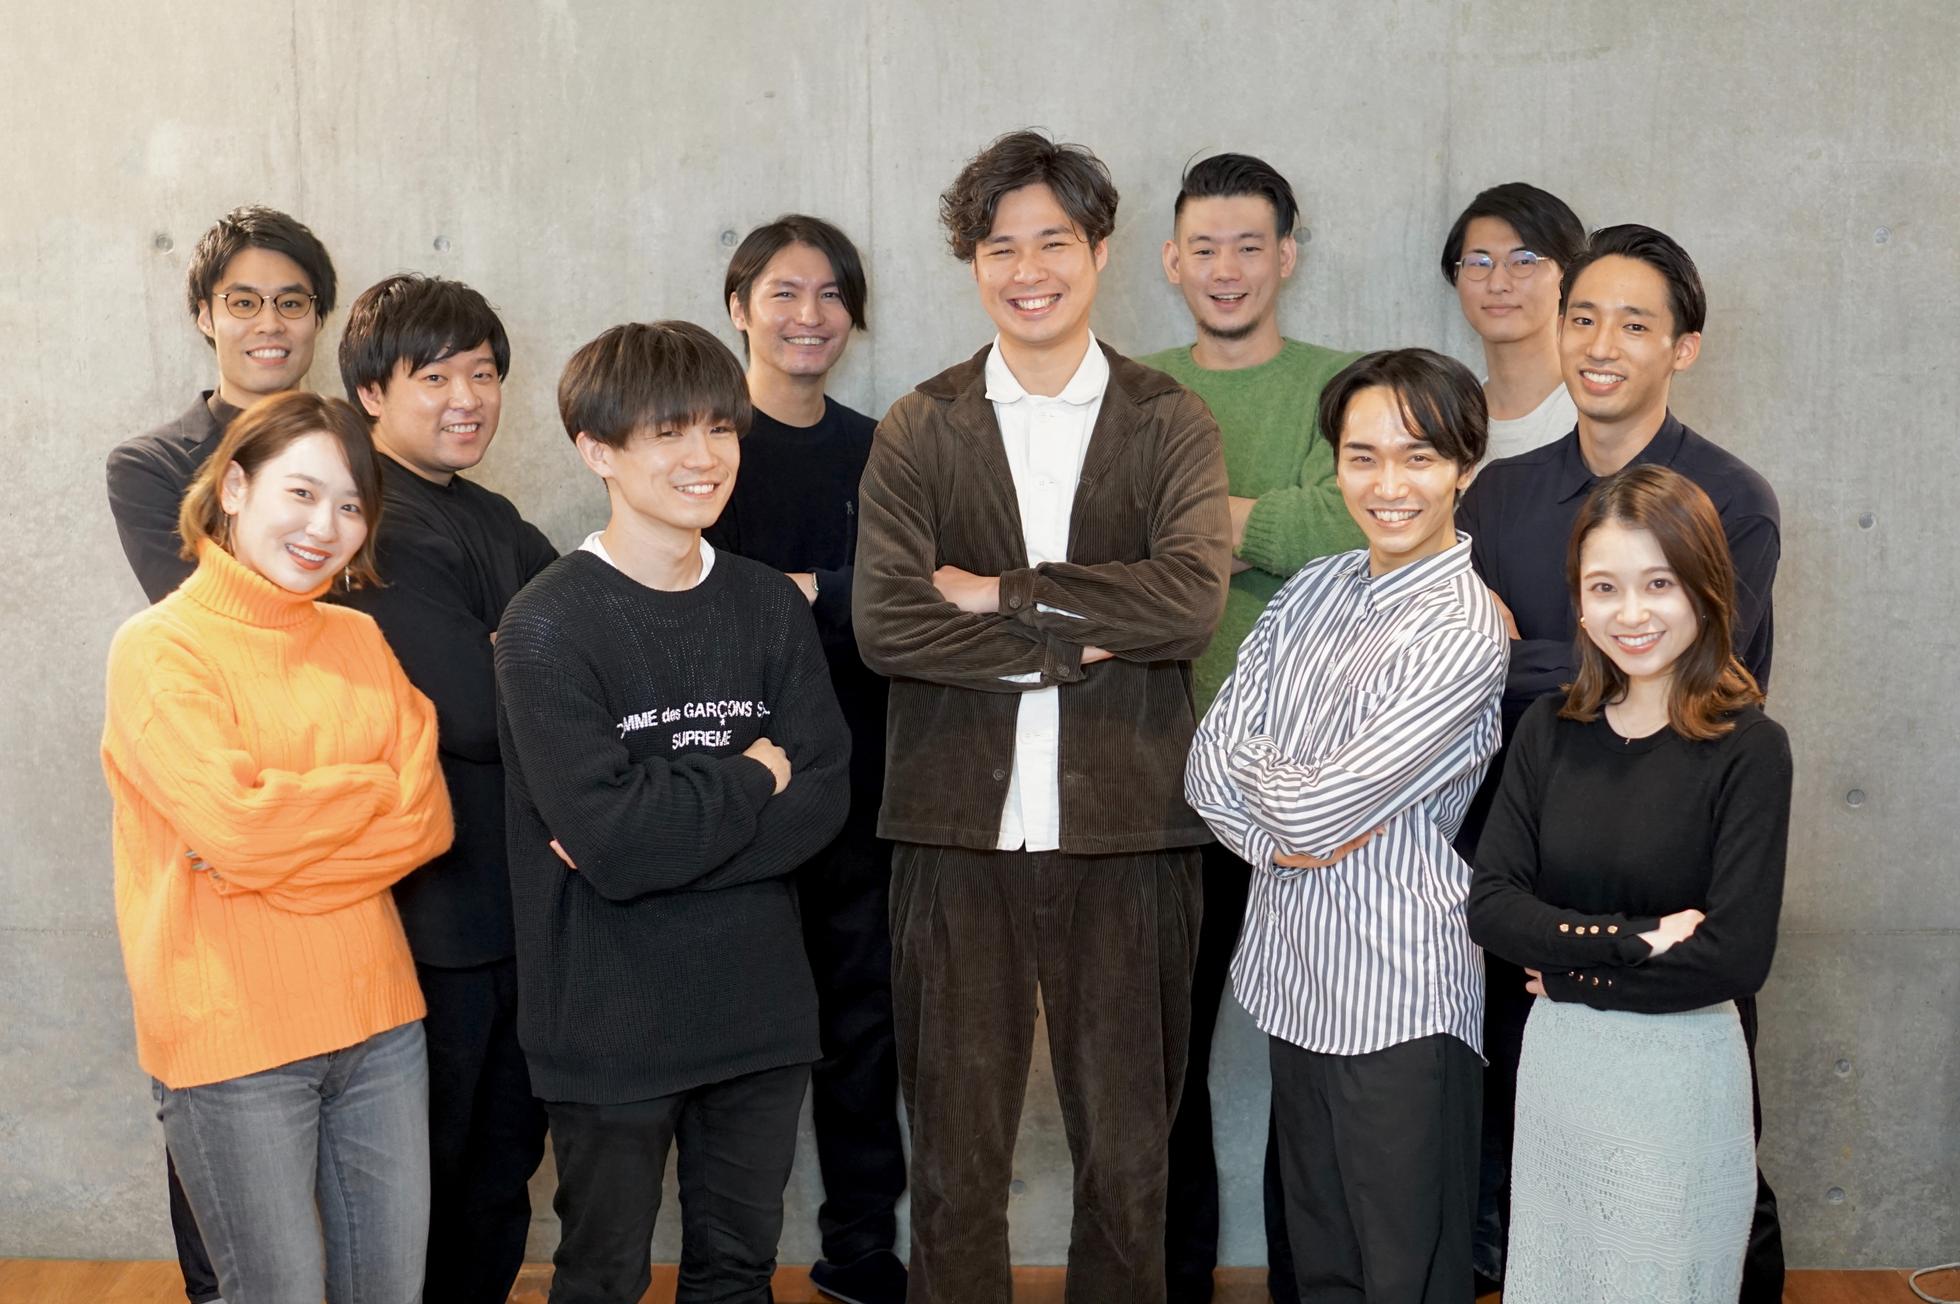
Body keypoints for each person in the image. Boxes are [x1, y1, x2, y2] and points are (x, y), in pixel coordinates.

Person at [853, 129, 1229, 1304]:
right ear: (973, 263)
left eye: (1052, 242)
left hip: (1131, 828)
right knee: (954, 1161)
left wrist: (1002, 592)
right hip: (952, 830)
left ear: (1100, 251)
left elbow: (1187, 601)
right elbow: (890, 625)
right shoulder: (921, 424)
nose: (1028, 270)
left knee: (1129, 1156)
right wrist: (1078, 641)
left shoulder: (1168, 418)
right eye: (999, 247)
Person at [1456, 222, 1785, 1300]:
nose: (1601, 344)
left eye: (1634, 324)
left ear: (1681, 347)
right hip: (1533, 852)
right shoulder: (1499, 496)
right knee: (1549, 1188)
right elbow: (1458, 672)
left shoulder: (1727, 500)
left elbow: (1712, 673)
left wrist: (1524, 659)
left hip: (1676, 860)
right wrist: (1534, 675)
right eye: (1583, 317)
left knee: (1696, 1196)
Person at [495, 320, 850, 1304]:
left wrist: (656, 831)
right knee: (602, 1274)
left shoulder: (768, 605)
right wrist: (749, 780)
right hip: (607, 1018)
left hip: (759, 1009)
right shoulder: (545, 623)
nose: (704, 456)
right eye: (668, 432)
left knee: (738, 1272)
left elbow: (822, 796)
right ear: (597, 449)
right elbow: (613, 840)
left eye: (719, 428)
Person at [100, 390, 453, 1302]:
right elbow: (241, 829)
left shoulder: (359, 637)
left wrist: (280, 847)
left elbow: (426, 818)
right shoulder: (159, 648)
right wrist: (367, 790)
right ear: (233, 487)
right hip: (233, 1041)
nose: (325, 527)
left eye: (350, 505)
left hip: (380, 1022)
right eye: (301, 493)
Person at [1186, 348, 1506, 1304]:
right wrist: (1285, 826)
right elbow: (1205, 767)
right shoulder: (1311, 589)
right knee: (1320, 1267)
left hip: (1399, 989)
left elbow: (1314, 805)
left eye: (1418, 457)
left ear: (1464, 466)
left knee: (1406, 1274)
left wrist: (1280, 792)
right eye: (1362, 458)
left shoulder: (1462, 627)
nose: (1388, 485)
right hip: (1296, 975)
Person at [1140, 150, 1365, 1304]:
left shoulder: (1342, 385)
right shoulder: (1131, 388)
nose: (1224, 268)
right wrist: (1271, 525)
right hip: (1154, 774)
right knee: (1159, 1058)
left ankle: (1304, 1281)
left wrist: (1193, 528)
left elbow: (1360, 527)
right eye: (1203, 247)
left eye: (1247, 245)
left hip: (1305, 778)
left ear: (1286, 256)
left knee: (1312, 1054)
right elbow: (1100, 554)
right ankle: (1170, 1277)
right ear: (1169, 261)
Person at [335, 273, 555, 1304]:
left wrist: (521, 655)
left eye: (484, 372)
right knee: (425, 1176)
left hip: (523, 906)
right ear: (372, 393)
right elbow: (474, 706)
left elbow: (601, 661)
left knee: (502, 1166)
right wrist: (520, 659)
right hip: (429, 919)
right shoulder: (370, 521)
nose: (468, 396)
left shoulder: (495, 516)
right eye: (436, 376)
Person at [706, 215, 906, 1304]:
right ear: (739, 307)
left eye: (831, 294)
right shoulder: (702, 444)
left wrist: (808, 594)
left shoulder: (885, 448)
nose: (809, 315)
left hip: (864, 783)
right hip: (732, 790)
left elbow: (905, 607)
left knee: (862, 1031)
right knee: (736, 1041)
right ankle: (722, 1265)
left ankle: (861, 1250)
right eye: (784, 292)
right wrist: (830, 599)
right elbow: (694, 606)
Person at [109, 205, 339, 603]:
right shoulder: (151, 466)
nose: (270, 324)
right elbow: (203, 613)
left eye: (291, 303)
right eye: (244, 303)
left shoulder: (358, 449)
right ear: (205, 317)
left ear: (318, 318)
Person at [1439, 183, 1587, 462]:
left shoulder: (1594, 416)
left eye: (1523, 261)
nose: (1497, 284)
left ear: (1569, 275)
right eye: (1479, 263)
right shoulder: (1448, 420)